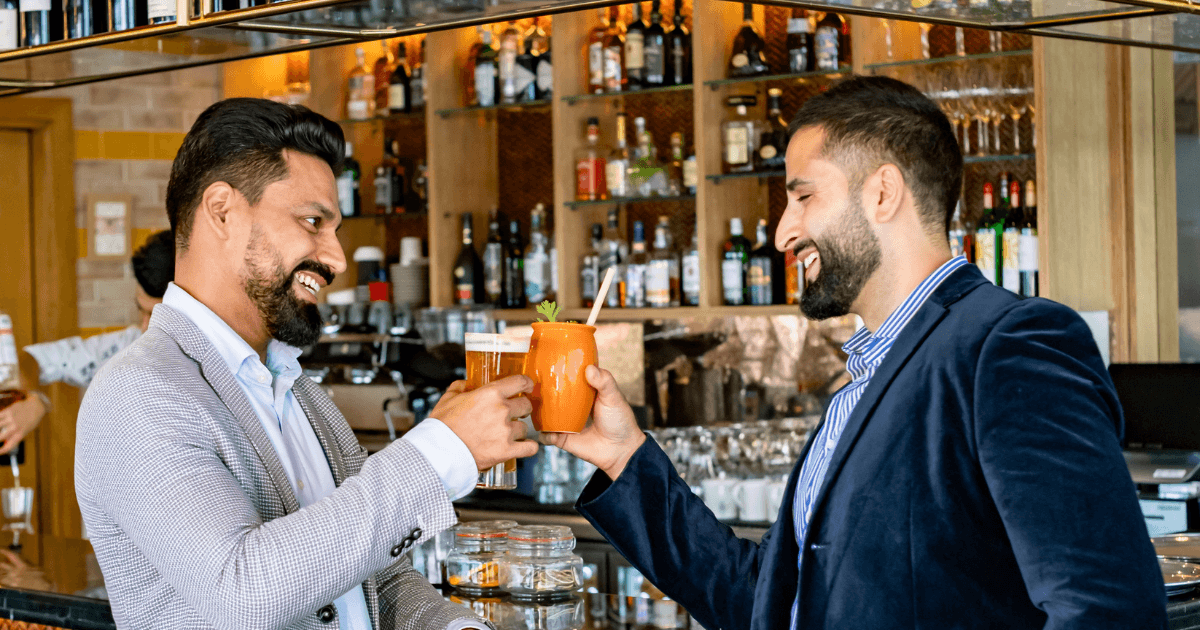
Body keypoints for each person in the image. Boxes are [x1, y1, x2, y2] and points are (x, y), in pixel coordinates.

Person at [543, 76, 1167, 629]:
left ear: (882, 193)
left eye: (803, 197)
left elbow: (1107, 608)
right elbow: (766, 603)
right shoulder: (861, 382)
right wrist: (625, 458)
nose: (784, 232)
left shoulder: (1008, 344)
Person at [76, 98, 536, 630]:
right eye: (313, 221)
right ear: (221, 210)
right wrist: (435, 454)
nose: (337, 257)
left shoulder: (298, 390)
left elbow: (376, 577)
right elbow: (242, 591)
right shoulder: (138, 392)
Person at [0, 231, 176, 456]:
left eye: (156, 314)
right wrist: (36, 401)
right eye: (140, 311)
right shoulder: (126, 346)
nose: (144, 326)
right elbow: (32, 359)